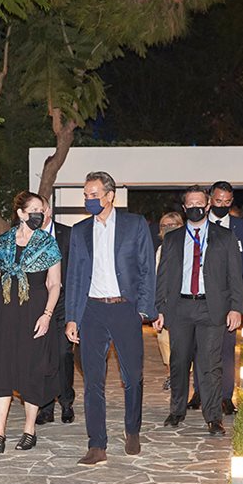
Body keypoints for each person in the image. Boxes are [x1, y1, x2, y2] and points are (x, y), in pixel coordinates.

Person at [65, 171, 157, 466]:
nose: (89, 200)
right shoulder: (80, 231)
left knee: (132, 377)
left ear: (110, 195)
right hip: (92, 311)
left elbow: (147, 268)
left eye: (94, 194)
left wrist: (143, 309)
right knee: (93, 380)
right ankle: (97, 444)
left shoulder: (135, 225)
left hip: (124, 308)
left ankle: (132, 431)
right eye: (86, 195)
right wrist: (72, 318)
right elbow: (74, 277)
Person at [153, 185, 243, 436]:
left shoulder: (225, 237)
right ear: (184, 208)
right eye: (190, 205)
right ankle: (177, 410)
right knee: (179, 361)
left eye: (199, 204)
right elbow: (163, 277)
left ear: (208, 205)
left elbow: (235, 276)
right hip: (180, 308)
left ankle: (213, 417)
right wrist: (159, 309)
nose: (195, 208)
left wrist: (236, 308)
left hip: (211, 308)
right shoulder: (172, 239)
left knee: (210, 364)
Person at [0, 191, 62, 453]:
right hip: (2, 313)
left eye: (42, 210)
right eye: (35, 210)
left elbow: (54, 284)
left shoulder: (48, 243)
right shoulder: (4, 241)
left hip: (34, 312)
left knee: (31, 370)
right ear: (21, 214)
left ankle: (29, 430)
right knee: (0, 371)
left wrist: (47, 315)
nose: (40, 214)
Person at [186, 181, 243, 415]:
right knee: (199, 347)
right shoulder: (199, 225)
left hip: (229, 299)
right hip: (201, 297)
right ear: (210, 200)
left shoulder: (241, 227)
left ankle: (226, 396)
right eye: (218, 201)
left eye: (227, 202)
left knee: (227, 349)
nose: (222, 205)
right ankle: (199, 392)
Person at [36, 196, 75, 425]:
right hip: (36, 305)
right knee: (42, 356)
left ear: (48, 210)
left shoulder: (68, 235)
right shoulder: (27, 235)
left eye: (40, 209)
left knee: (62, 354)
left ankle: (66, 401)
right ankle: (45, 406)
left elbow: (77, 271)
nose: (36, 214)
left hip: (63, 303)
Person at [155, 211, 184, 392]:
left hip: (183, 302)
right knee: (164, 340)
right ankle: (171, 374)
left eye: (172, 225)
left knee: (183, 342)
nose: (167, 229)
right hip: (165, 303)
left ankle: (182, 374)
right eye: (164, 226)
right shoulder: (160, 249)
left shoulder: (187, 246)